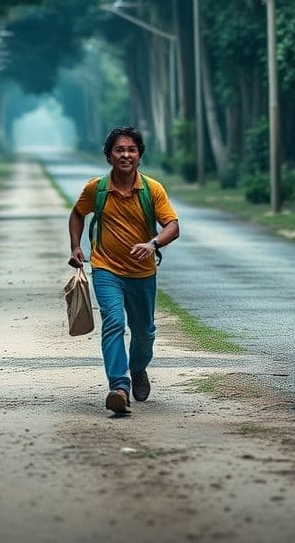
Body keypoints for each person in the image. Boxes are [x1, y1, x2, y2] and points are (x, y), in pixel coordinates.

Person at [68, 127, 179, 414]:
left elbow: (172, 226)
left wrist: (152, 244)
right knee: (114, 322)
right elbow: (78, 213)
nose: (126, 155)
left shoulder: (152, 189)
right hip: (106, 268)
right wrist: (76, 247)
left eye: (131, 149)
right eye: (119, 150)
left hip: (142, 274)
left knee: (145, 333)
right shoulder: (97, 188)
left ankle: (138, 367)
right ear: (109, 156)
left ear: (139, 155)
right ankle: (119, 386)